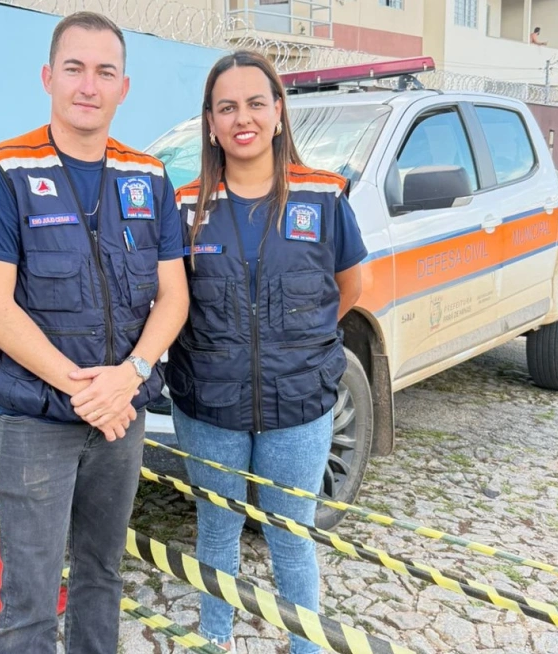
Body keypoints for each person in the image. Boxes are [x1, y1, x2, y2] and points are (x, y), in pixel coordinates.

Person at [0, 11, 189, 654]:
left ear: (123, 87)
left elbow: (174, 296)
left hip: (123, 416)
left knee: (102, 574)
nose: (89, 85)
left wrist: (131, 376)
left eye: (104, 71)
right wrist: (86, 389)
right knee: (29, 594)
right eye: (75, 68)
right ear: (48, 78)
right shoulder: (1, 171)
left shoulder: (148, 176)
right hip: (37, 421)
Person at [166, 50, 366, 654]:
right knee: (217, 532)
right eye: (227, 107)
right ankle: (216, 640)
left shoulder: (324, 197)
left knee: (292, 536)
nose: (242, 118)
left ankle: (304, 645)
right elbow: (169, 297)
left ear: (278, 112)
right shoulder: (184, 206)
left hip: (299, 405)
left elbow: (352, 285)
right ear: (210, 122)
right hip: (208, 405)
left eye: (256, 103)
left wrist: (298, 348)